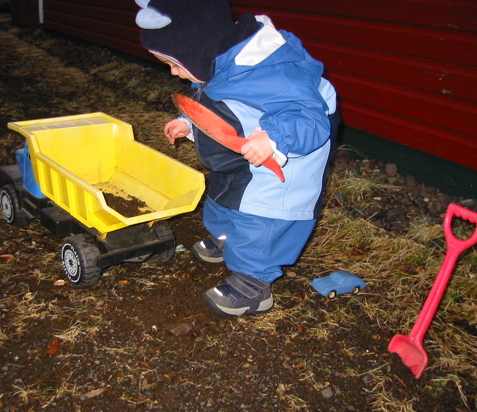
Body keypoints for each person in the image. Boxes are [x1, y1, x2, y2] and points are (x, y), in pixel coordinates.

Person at [135, 0, 339, 316]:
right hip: (241, 151)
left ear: (198, 49)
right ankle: (227, 238)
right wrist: (189, 122)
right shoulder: (216, 61)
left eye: (175, 64)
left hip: (283, 155)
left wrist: (272, 138)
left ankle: (253, 284)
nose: (174, 72)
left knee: (260, 219)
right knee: (224, 195)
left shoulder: (272, 73)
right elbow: (215, 103)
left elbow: (309, 117)